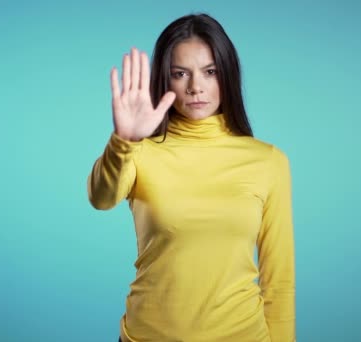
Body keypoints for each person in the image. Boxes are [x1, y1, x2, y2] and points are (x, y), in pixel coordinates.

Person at [87, 13, 295, 342]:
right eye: (180, 73)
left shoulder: (268, 161)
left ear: (227, 74)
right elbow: (100, 197)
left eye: (210, 72)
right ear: (165, 81)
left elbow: (278, 279)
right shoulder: (139, 151)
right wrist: (124, 141)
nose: (196, 87)